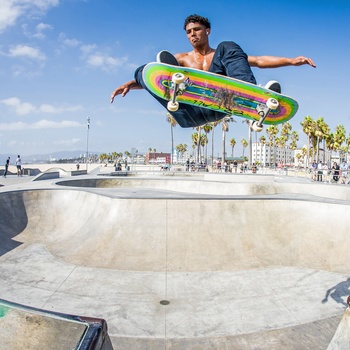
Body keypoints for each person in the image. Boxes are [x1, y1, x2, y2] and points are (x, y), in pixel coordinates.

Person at [110, 14, 316, 123]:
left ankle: (250, 96)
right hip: (187, 111)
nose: (192, 34)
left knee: (228, 46)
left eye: (197, 30)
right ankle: (158, 82)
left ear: (207, 31)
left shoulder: (224, 55)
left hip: (219, 107)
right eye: (189, 32)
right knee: (146, 67)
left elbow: (260, 60)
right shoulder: (181, 59)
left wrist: (291, 61)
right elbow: (157, 77)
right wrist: (132, 83)